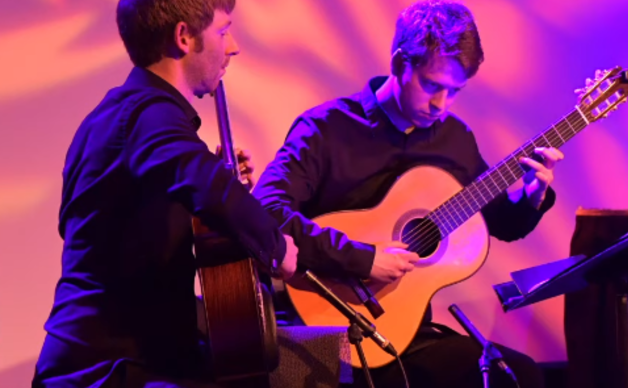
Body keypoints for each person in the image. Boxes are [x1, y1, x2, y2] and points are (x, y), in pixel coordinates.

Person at [252, 0, 564, 387]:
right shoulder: (326, 128)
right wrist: (364, 259)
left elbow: (502, 221)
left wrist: (532, 196)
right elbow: (266, 209)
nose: (441, 105)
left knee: (520, 376)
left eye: (455, 92)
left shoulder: (455, 139)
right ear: (400, 63)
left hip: (404, 332)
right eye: (432, 85)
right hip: (324, 330)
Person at [32, 1, 296, 387]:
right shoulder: (149, 113)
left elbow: (114, 228)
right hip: (113, 369)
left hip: (109, 359)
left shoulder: (108, 118)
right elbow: (206, 186)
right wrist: (278, 247)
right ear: (184, 37)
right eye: (223, 31)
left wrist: (202, 204)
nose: (233, 46)